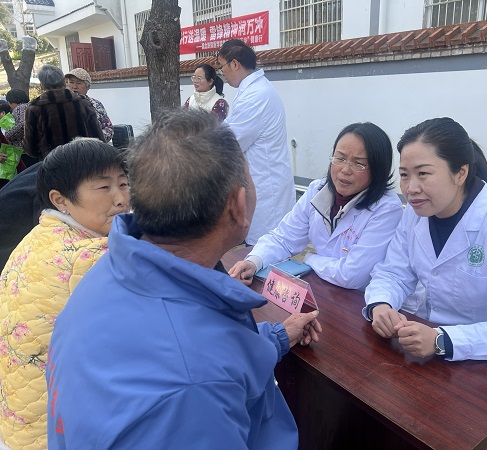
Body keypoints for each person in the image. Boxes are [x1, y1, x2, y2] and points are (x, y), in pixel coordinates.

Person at [45, 108, 322, 449]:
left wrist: (275, 337)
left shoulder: (112, 272)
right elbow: (194, 370)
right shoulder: (194, 388)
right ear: (237, 205)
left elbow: (198, 346)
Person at [364, 117, 487, 365]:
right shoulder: (414, 215)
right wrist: (381, 304)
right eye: (404, 175)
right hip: (426, 349)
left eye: (423, 173)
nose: (411, 188)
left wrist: (443, 340)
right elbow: (394, 272)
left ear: (460, 173)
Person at [0, 139, 129, 450]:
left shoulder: (37, 236)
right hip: (59, 431)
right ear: (60, 200)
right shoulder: (93, 255)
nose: (121, 199)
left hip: (18, 418)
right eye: (104, 187)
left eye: (124, 184)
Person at [229, 122, 403, 291]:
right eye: (340, 158)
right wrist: (254, 261)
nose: (345, 170)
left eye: (358, 163)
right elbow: (283, 238)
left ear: (378, 169)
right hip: (324, 287)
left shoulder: (386, 208)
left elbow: (352, 275)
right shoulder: (318, 190)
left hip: (361, 300)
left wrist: (310, 259)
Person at [217, 39, 296, 245]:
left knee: (265, 247)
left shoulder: (256, 96)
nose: (222, 73)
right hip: (262, 179)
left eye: (222, 66)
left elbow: (232, 140)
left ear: (235, 64)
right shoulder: (254, 90)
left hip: (265, 184)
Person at [24, 64, 104, 160]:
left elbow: (31, 147)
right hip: (84, 159)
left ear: (42, 86)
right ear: (64, 82)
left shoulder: (35, 108)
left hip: (53, 162)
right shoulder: (82, 102)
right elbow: (98, 136)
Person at [65, 68, 114, 142]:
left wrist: (96, 141)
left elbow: (108, 129)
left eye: (79, 83)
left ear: (88, 87)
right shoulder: (63, 105)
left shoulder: (96, 104)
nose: (74, 86)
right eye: (71, 82)